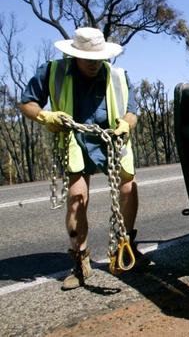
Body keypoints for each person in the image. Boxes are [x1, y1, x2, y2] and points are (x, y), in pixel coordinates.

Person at [19, 27, 142, 290]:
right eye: (89, 59)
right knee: (77, 199)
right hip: (75, 140)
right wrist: (46, 116)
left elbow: (132, 112)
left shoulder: (118, 76)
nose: (95, 64)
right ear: (75, 55)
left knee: (128, 187)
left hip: (112, 138)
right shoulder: (53, 71)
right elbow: (27, 103)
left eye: (99, 59)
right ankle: (80, 261)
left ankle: (126, 246)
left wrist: (126, 125)